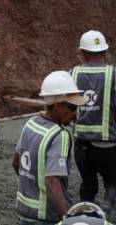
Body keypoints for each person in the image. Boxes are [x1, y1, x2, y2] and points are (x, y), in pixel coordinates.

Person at [12, 71, 88, 225]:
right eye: (73, 107)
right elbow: (51, 181)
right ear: (58, 106)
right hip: (45, 216)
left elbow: (16, 162)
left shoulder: (30, 123)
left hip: (25, 211)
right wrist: (65, 218)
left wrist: (32, 188)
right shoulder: (59, 135)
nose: (75, 113)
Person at [71, 30, 116, 215]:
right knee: (113, 182)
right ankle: (105, 212)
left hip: (81, 145)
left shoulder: (72, 73)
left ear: (82, 52)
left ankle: (84, 215)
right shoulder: (113, 74)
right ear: (104, 52)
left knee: (88, 184)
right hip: (108, 145)